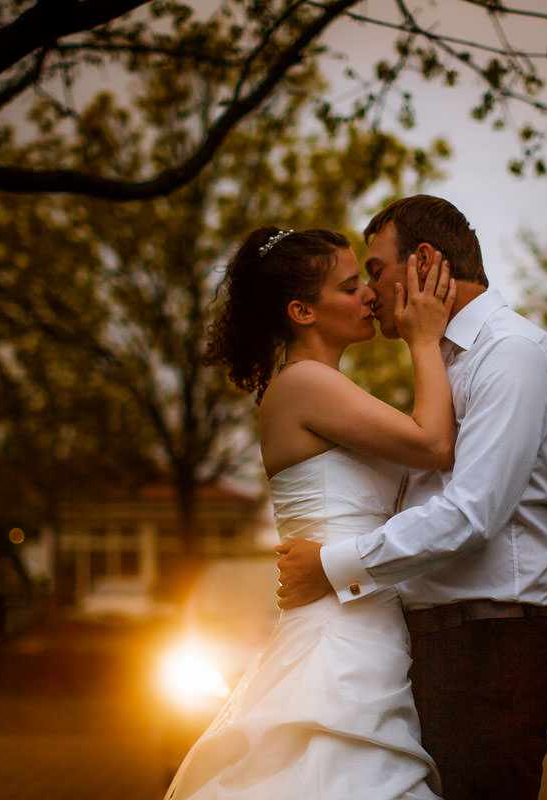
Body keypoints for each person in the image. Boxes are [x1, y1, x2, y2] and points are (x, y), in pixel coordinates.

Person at [276, 195, 547, 800]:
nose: (372, 291)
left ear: (424, 260)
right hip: (431, 649)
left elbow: (473, 513)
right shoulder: (440, 363)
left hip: (492, 646)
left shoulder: (509, 353)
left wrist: (333, 567)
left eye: (378, 271)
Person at [162, 226, 458, 799]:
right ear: (302, 310)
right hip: (337, 641)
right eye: (350, 288)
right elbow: (433, 445)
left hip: (364, 629)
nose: (370, 296)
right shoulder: (303, 384)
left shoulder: (316, 386)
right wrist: (424, 340)